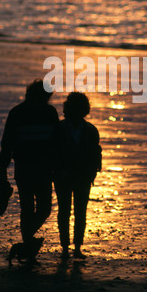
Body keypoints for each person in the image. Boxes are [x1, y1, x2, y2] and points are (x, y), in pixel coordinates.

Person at [0, 78, 59, 257]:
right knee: (27, 208)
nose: (45, 101)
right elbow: (7, 144)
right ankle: (28, 243)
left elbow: (57, 143)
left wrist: (58, 166)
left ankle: (27, 239)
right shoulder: (17, 113)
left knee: (45, 208)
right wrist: (2, 171)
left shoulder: (50, 113)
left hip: (45, 170)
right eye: (44, 97)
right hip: (24, 169)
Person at [54, 92, 102, 259]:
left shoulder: (90, 130)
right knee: (65, 212)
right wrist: (58, 171)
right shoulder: (60, 129)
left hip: (82, 177)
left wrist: (93, 173)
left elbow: (96, 154)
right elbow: (54, 154)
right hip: (63, 176)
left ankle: (76, 248)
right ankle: (67, 248)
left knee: (79, 212)